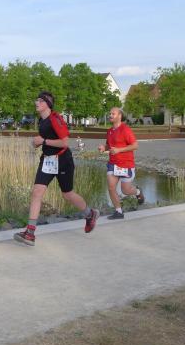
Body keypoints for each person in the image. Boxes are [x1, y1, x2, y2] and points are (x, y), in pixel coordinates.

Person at [13, 91, 99, 246]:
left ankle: (90, 213)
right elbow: (46, 140)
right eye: (36, 100)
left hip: (63, 160)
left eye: (40, 100)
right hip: (47, 160)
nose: (36, 103)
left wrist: (43, 141)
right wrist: (38, 143)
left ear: (48, 104)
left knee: (67, 194)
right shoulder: (42, 120)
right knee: (37, 192)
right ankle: (30, 233)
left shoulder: (55, 119)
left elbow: (65, 142)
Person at [97, 107, 144, 219]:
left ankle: (137, 192)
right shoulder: (109, 131)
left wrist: (119, 150)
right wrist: (104, 148)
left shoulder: (125, 129)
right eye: (110, 113)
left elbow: (135, 145)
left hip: (126, 165)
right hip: (113, 164)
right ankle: (118, 211)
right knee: (111, 188)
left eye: (113, 113)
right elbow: (109, 145)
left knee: (125, 190)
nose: (110, 115)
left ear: (120, 116)